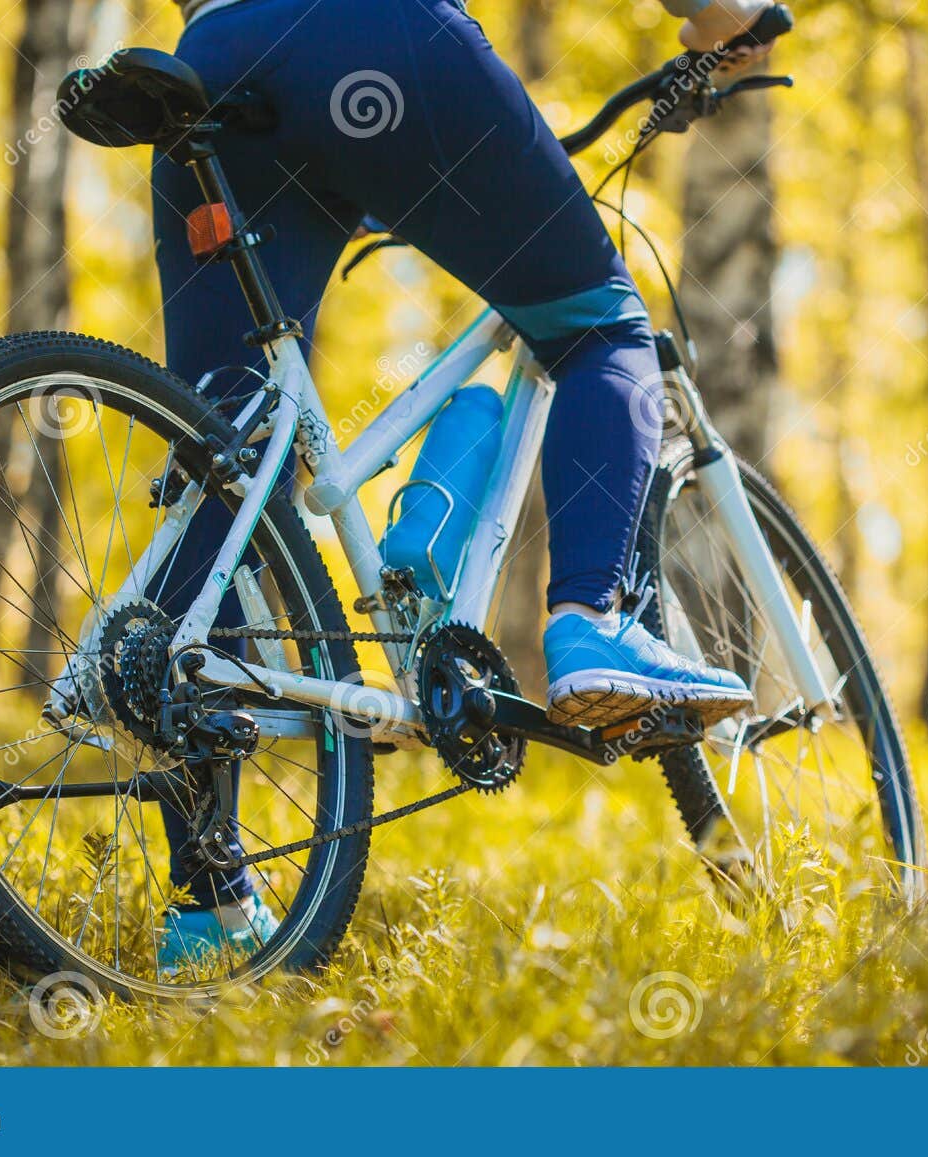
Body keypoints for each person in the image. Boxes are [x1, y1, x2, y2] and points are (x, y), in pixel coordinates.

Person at [149, 0, 773, 966]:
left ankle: (204, 912)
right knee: (600, 328)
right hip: (381, 39)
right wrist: (720, 17)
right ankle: (588, 623)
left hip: (218, 58)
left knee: (222, 448)